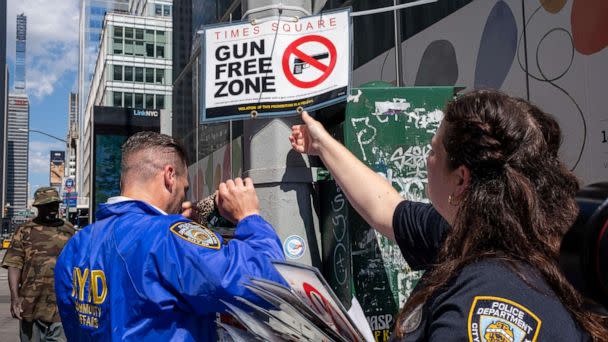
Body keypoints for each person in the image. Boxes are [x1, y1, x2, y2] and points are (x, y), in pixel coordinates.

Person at [289, 90, 608, 341]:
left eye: (433, 150)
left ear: (461, 179)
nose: (427, 160)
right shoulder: (471, 233)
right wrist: (322, 144)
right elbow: (385, 207)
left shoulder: (489, 295)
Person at [54, 131, 287, 341]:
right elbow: (267, 286)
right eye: (185, 188)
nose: (183, 197)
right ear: (170, 176)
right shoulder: (167, 237)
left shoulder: (76, 244)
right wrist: (249, 217)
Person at [2, 187, 75, 342]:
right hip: (30, 305)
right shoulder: (24, 230)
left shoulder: (69, 231)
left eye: (55, 204)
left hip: (62, 305)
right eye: (47, 205)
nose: (53, 208)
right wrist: (15, 298)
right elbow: (14, 265)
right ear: (38, 207)